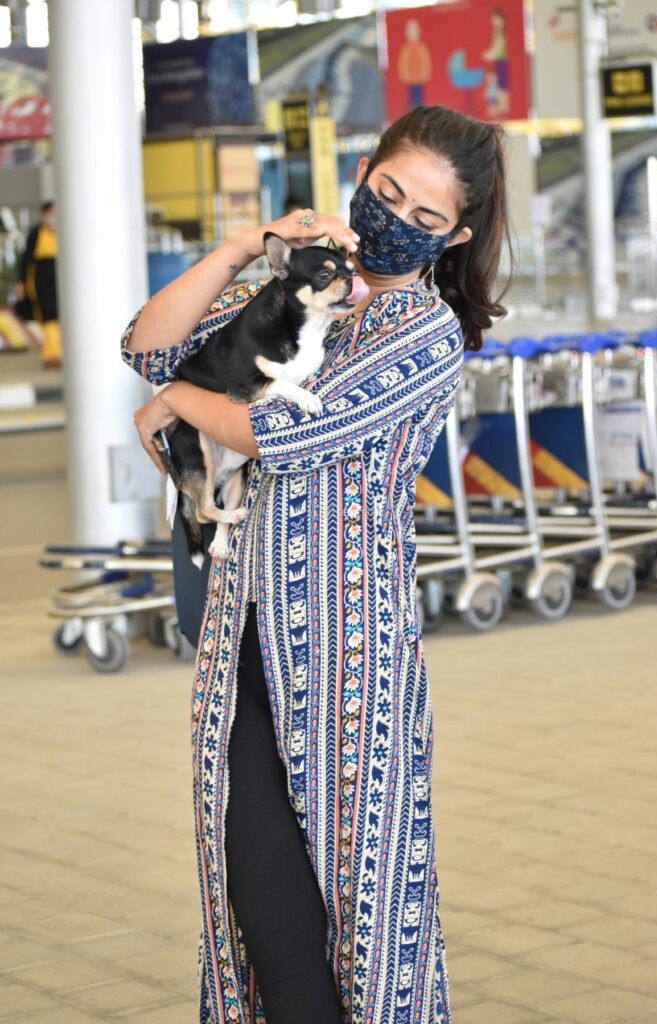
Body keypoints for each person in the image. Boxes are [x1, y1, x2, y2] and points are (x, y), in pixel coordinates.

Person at [122, 105, 511, 1023]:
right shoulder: (295, 285)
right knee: (261, 908)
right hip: (243, 640)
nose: (393, 222)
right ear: (360, 174)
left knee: (357, 914)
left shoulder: (420, 334)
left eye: (423, 220)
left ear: (451, 237)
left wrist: (172, 401)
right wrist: (244, 249)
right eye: (385, 193)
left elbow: (279, 430)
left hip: (347, 657)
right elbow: (146, 345)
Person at [16, 200, 62, 369]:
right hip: (41, 277)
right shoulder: (36, 232)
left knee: (56, 316)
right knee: (48, 315)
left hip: (59, 274)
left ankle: (54, 353)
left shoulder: (61, 232)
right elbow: (26, 258)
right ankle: (51, 354)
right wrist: (21, 282)